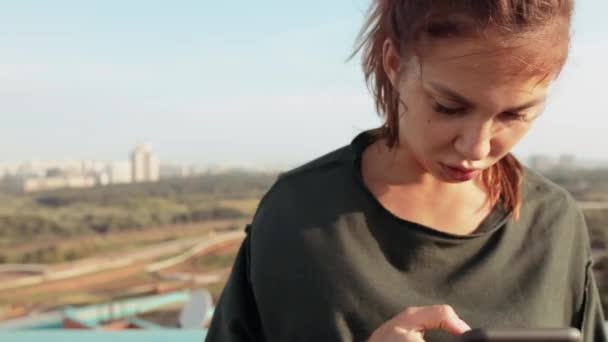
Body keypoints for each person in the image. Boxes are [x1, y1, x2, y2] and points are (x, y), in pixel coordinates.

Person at [205, 1, 607, 341]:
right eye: (448, 107)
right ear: (395, 65)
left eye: (515, 114)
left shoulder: (554, 225)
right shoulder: (297, 215)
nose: (477, 147)